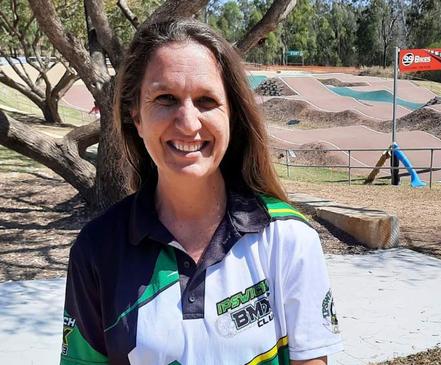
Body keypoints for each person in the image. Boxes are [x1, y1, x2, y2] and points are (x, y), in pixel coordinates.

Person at [60, 19, 342, 365]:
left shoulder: (288, 237)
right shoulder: (97, 249)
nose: (189, 122)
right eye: (166, 98)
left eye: (207, 101)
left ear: (232, 116)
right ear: (136, 115)